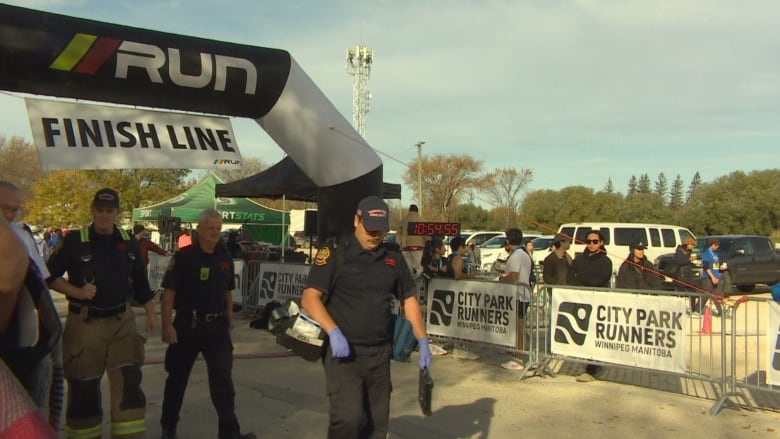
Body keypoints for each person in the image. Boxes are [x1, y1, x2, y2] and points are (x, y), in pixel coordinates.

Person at [300, 196, 430, 438]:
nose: (375, 236)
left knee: (377, 426)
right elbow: (310, 298)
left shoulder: (392, 257)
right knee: (348, 420)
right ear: (356, 221)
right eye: (370, 229)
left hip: (379, 354)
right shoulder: (336, 250)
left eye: (380, 231)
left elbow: (409, 299)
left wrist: (422, 340)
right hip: (344, 353)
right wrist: (333, 331)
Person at [46, 188, 158, 439]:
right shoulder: (75, 241)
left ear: (117, 213)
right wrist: (76, 291)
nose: (105, 216)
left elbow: (141, 282)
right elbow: (48, 275)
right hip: (86, 324)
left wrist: (151, 313)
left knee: (129, 387)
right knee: (84, 390)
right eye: (100, 210)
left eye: (110, 211)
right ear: (93, 211)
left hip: (122, 323)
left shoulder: (128, 241)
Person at [159, 209, 255, 439]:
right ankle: (169, 428)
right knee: (177, 380)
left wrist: (228, 322)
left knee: (223, 383)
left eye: (218, 229)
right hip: (187, 325)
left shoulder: (224, 258)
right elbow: (169, 293)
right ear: (199, 229)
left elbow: (229, 293)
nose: (215, 233)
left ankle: (230, 433)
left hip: (217, 327)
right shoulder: (183, 257)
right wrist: (166, 326)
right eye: (210, 228)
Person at [0, 181, 64, 429]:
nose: (10, 214)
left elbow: (41, 279)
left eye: (14, 209)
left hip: (31, 345)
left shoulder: (23, 236)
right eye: (4, 207)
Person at [566, 230, 612, 382]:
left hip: (598, 303)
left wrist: (581, 278)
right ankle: (586, 362)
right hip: (579, 302)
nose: (591, 244)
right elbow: (570, 277)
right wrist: (580, 280)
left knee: (594, 334)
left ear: (601, 243)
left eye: (595, 241)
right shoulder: (579, 260)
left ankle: (593, 368)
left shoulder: (605, 261)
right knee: (581, 332)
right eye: (589, 241)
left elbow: (596, 280)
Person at [499, 228, 533, 371]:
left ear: (508, 240)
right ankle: (516, 353)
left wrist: (502, 278)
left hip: (519, 295)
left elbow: (513, 276)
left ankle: (518, 358)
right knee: (517, 327)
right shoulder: (524, 254)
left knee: (518, 327)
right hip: (522, 293)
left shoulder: (516, 256)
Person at [673, 237, 699, 314]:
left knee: (692, 291)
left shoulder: (689, 251)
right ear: (688, 244)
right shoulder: (680, 251)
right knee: (681, 294)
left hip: (688, 275)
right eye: (692, 245)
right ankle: (679, 310)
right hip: (681, 275)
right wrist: (690, 259)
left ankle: (693, 310)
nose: (693, 247)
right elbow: (679, 261)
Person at [700, 237, 722, 316]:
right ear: (712, 245)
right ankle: (697, 309)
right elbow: (706, 267)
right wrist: (712, 277)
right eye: (716, 245)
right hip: (708, 277)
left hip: (716, 277)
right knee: (706, 294)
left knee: (717, 294)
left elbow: (716, 265)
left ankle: (720, 311)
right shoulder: (706, 253)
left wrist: (720, 269)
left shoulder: (715, 254)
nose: (717, 247)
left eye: (718, 245)